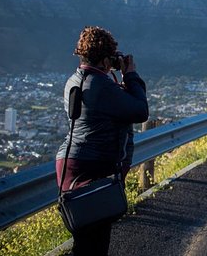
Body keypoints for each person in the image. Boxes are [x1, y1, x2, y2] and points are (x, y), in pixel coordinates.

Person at [56, 26, 149, 255]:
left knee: (85, 237)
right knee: (95, 241)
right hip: (93, 165)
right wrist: (130, 75)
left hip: (71, 161)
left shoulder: (75, 80)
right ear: (107, 60)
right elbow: (140, 111)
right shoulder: (100, 85)